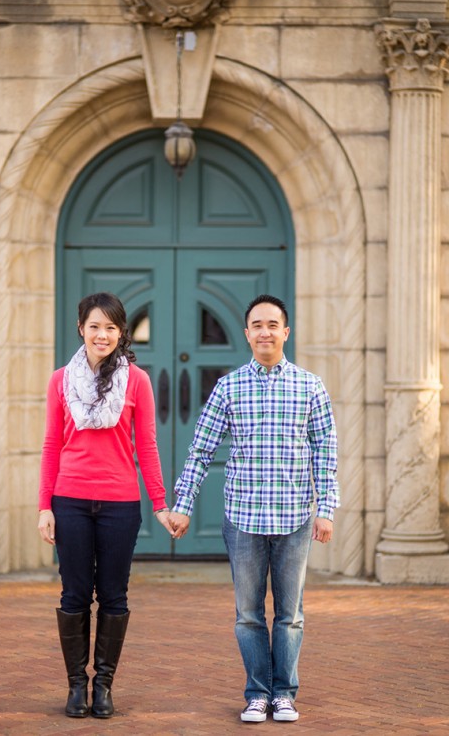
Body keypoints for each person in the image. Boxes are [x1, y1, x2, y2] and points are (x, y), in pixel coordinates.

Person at [169, 294, 339, 724]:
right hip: (243, 519)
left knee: (290, 615)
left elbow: (326, 452)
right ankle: (257, 694)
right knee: (248, 615)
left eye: (272, 324)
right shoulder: (228, 387)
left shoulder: (310, 386)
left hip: (296, 518)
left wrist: (327, 509)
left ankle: (284, 693)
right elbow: (200, 450)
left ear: (286, 331)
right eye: (257, 325)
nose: (265, 331)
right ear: (247, 333)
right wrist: (183, 505)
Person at [38, 292, 175, 719]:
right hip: (71, 500)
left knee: (114, 595)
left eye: (111, 328)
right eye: (95, 326)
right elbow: (51, 445)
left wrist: (159, 503)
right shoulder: (60, 379)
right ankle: (76, 686)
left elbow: (147, 447)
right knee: (74, 594)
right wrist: (45, 506)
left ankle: (104, 686)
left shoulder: (137, 381)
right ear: (81, 328)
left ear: (121, 333)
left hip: (120, 503)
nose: (103, 334)